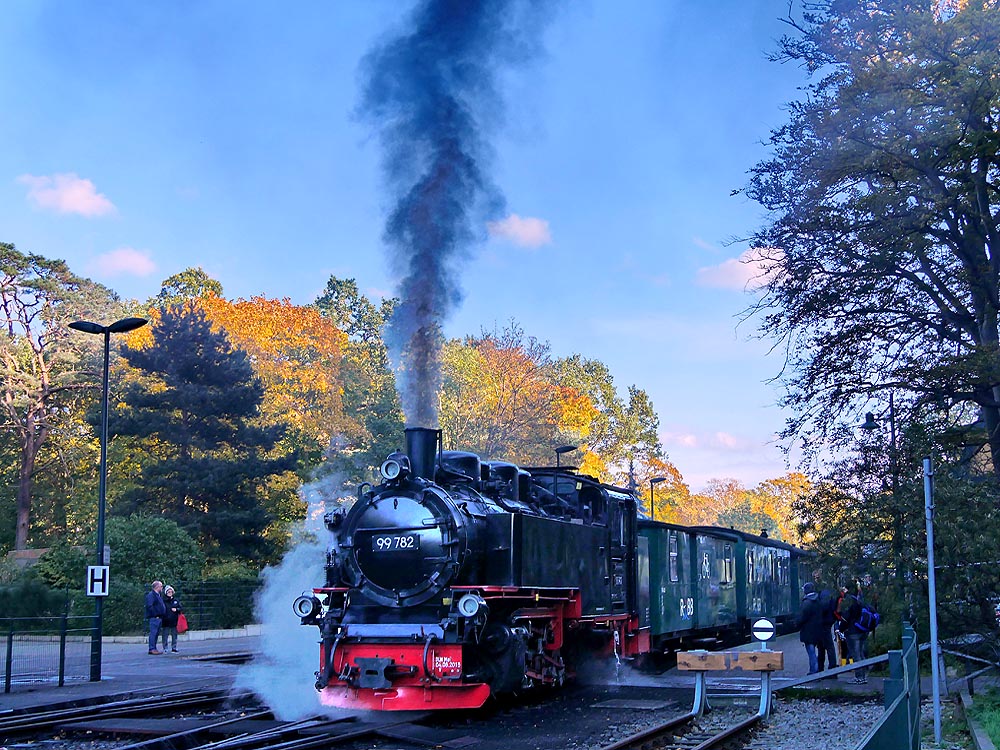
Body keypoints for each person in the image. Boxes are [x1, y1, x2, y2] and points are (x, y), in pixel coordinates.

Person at [839, 580, 870, 684]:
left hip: (853, 631)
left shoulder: (849, 600)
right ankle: (864, 676)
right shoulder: (859, 598)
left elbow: (846, 617)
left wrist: (840, 629)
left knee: (856, 655)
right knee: (861, 653)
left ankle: (859, 677)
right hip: (862, 630)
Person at [813, 574, 840, 676]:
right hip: (826, 621)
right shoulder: (827, 593)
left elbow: (824, 607)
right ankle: (823, 668)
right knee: (823, 646)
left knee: (826, 646)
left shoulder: (824, 594)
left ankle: (830, 668)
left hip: (824, 622)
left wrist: (816, 612)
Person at [797, 581, 825, 675]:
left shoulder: (806, 602)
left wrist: (797, 624)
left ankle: (814, 671)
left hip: (808, 630)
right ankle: (817, 669)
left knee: (811, 652)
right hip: (818, 629)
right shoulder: (818, 600)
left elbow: (802, 617)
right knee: (815, 651)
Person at [144, 580, 166, 655]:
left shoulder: (158, 595)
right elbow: (149, 606)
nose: (162, 588)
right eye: (161, 586)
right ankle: (152, 648)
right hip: (155, 617)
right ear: (157, 587)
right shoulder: (151, 595)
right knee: (153, 633)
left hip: (159, 617)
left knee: (156, 633)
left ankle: (154, 648)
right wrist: (155, 614)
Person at [160, 585, 183, 653]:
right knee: (165, 635)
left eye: (171, 592)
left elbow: (180, 608)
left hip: (174, 620)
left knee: (174, 635)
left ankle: (174, 647)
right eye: (168, 592)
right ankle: (165, 647)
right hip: (165, 620)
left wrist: (176, 610)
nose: (170, 593)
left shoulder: (176, 600)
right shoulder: (163, 601)